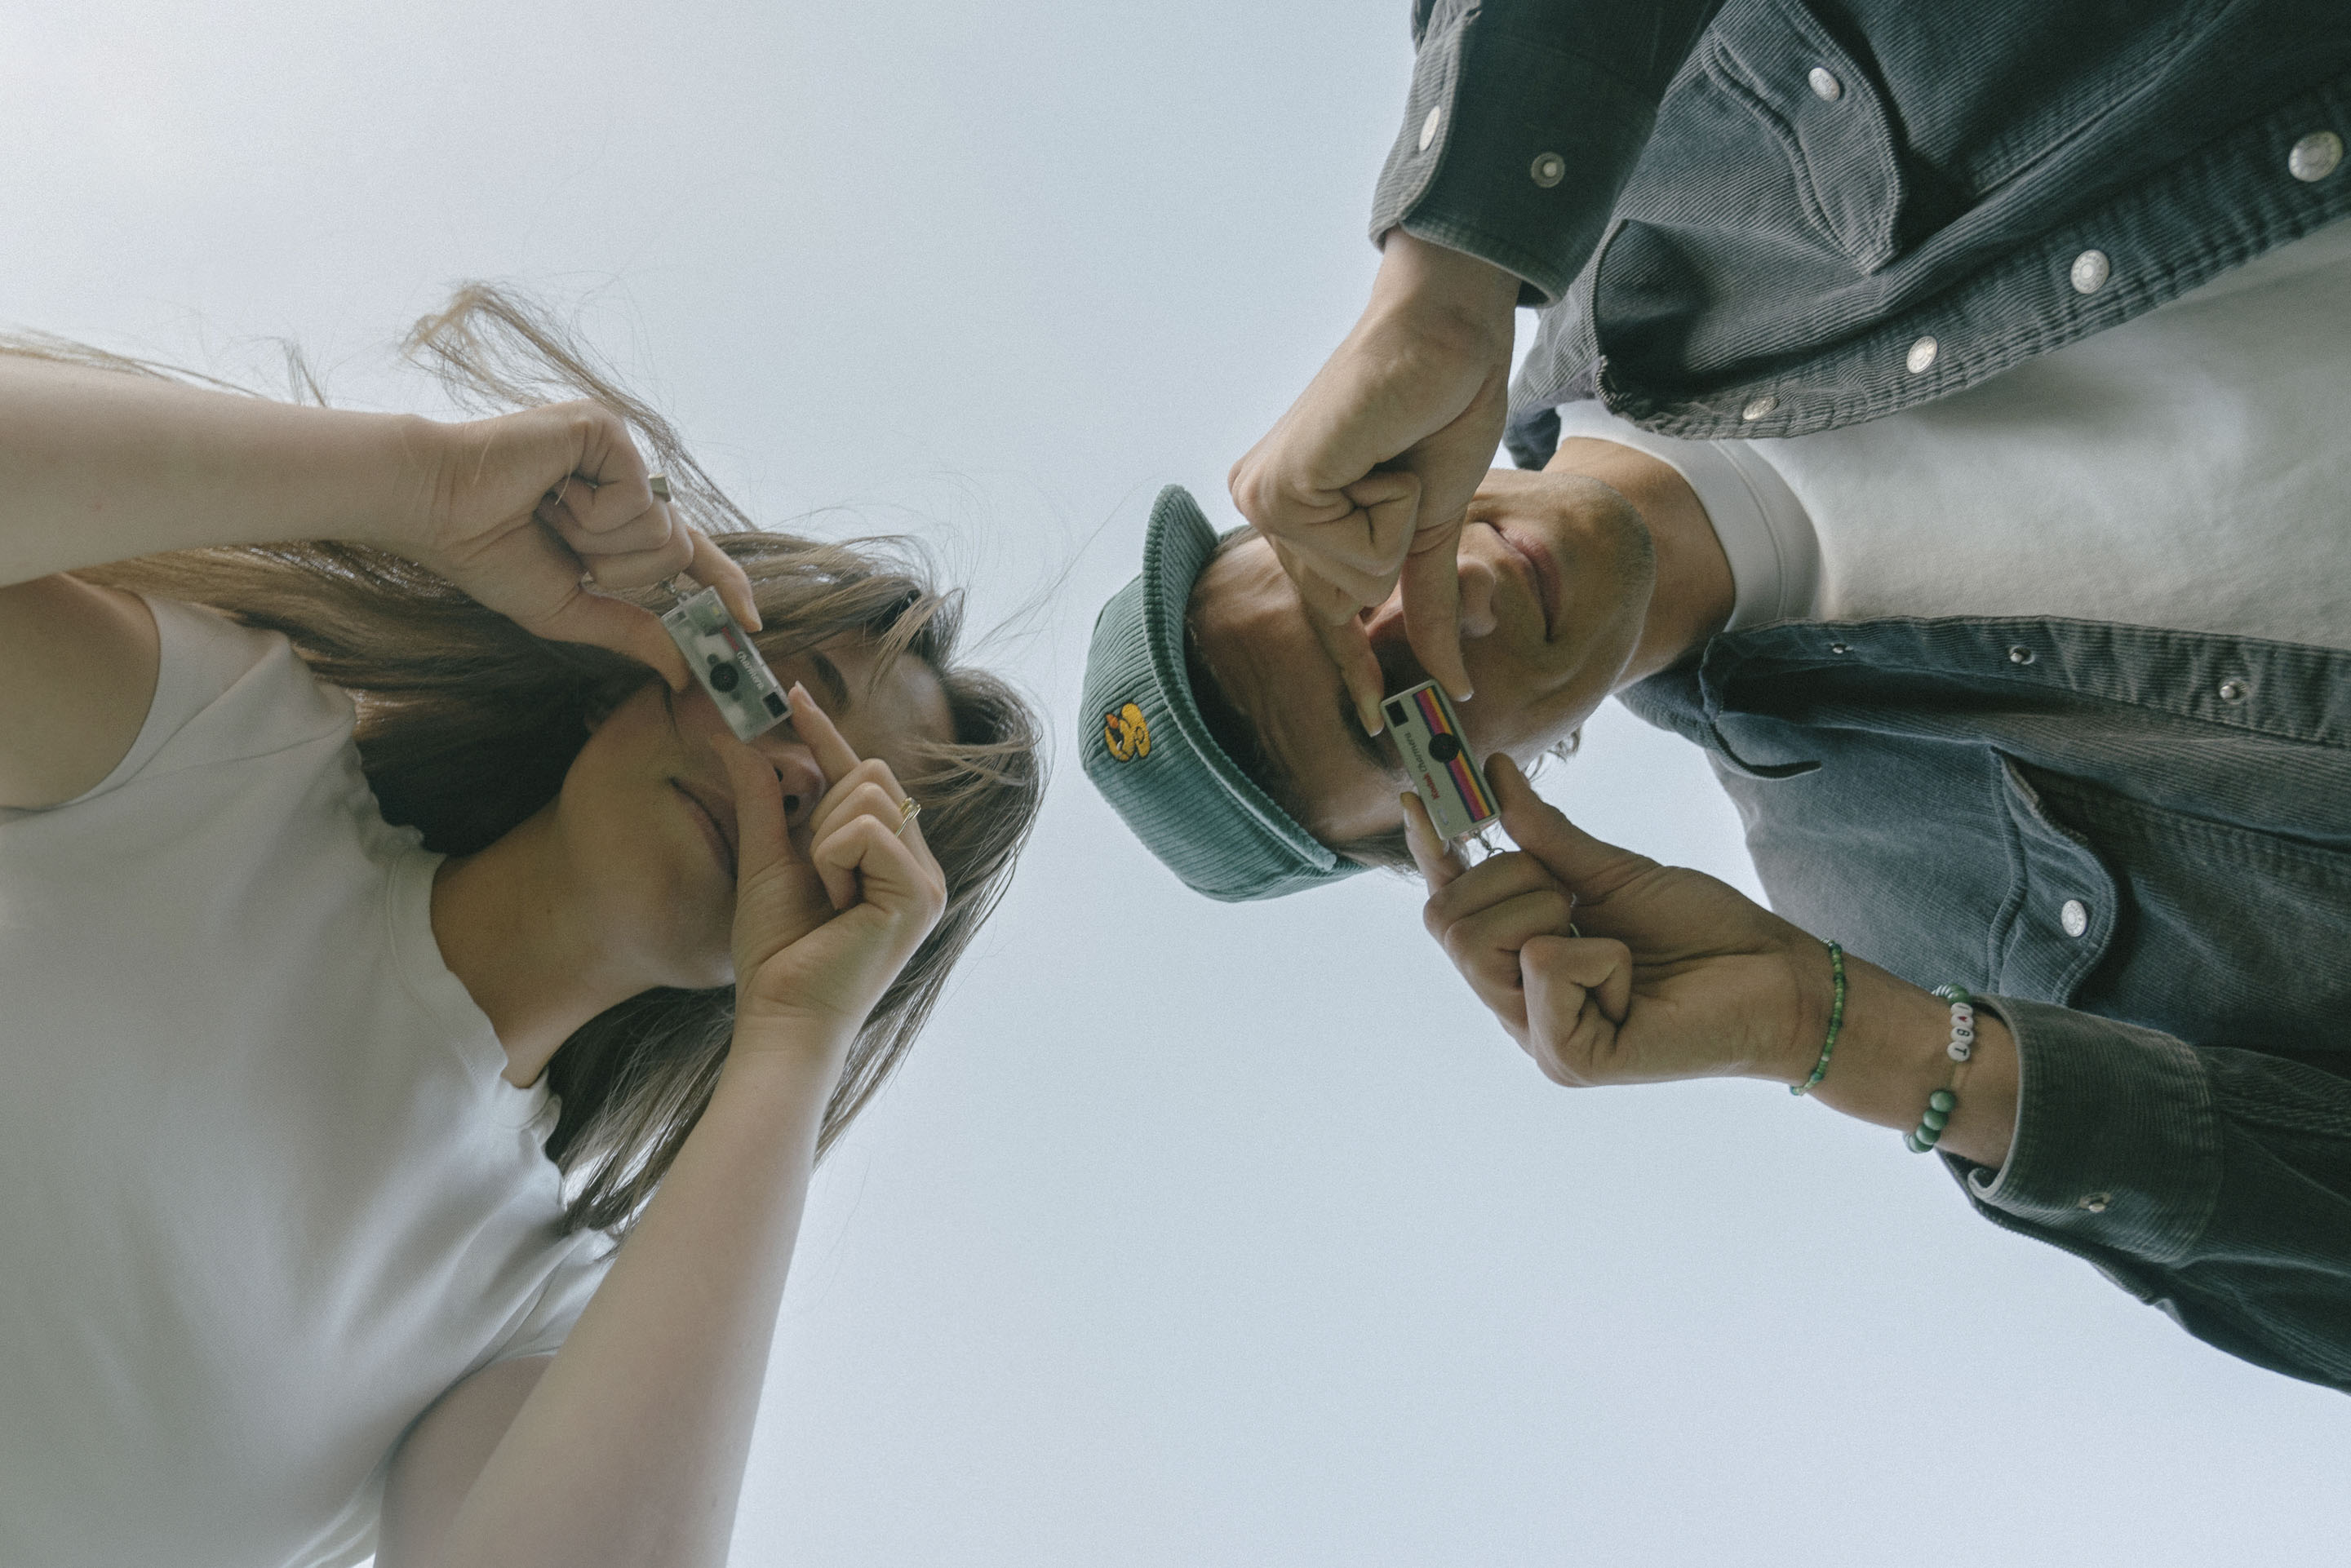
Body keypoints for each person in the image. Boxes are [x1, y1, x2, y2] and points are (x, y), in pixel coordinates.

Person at [1079, 203, 2351, 1393]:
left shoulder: (1680, 158)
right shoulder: (1913, 924)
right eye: (1405, 702)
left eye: (1346, 573)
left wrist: (1451, 254)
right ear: (1465, 821)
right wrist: (1840, 1031)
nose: (1445, 598)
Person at [0, 288, 1043, 1566]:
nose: (795, 784)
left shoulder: (524, 1308)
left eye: (862, 833)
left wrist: (793, 1036)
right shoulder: (230, 749)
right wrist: (423, 489)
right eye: (789, 701)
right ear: (665, 659)